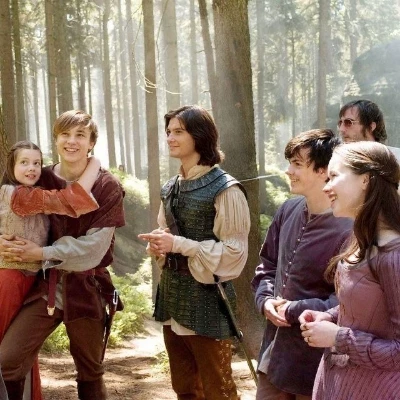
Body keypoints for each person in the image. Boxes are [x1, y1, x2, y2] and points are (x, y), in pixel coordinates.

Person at [0, 110, 125, 400]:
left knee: (90, 372)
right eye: (65, 134)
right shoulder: (38, 176)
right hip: (48, 285)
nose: (72, 141)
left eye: (80, 135)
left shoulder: (107, 186)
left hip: (88, 286)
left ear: (91, 143)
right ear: (55, 140)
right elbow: (9, 212)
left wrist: (41, 252)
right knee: (7, 361)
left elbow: (94, 249)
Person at [138, 105, 250, 400]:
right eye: (168, 132)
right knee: (185, 389)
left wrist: (179, 245)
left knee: (219, 391)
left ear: (200, 135)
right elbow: (167, 233)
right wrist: (160, 244)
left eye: (178, 132)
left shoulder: (226, 189)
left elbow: (235, 253)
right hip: (172, 297)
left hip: (208, 301)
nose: (170, 138)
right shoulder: (170, 188)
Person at [251, 129, 353, 400]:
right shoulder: (287, 210)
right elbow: (267, 265)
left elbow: (348, 300)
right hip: (274, 355)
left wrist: (295, 310)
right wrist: (265, 300)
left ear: (323, 170)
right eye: (290, 163)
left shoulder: (350, 229)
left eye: (297, 164)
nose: (288, 171)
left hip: (318, 362)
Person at [299, 141, 400, 399]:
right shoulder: (360, 239)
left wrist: (338, 338)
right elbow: (366, 308)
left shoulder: (394, 256)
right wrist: (329, 317)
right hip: (340, 384)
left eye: (334, 176)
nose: (326, 186)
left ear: (365, 179)